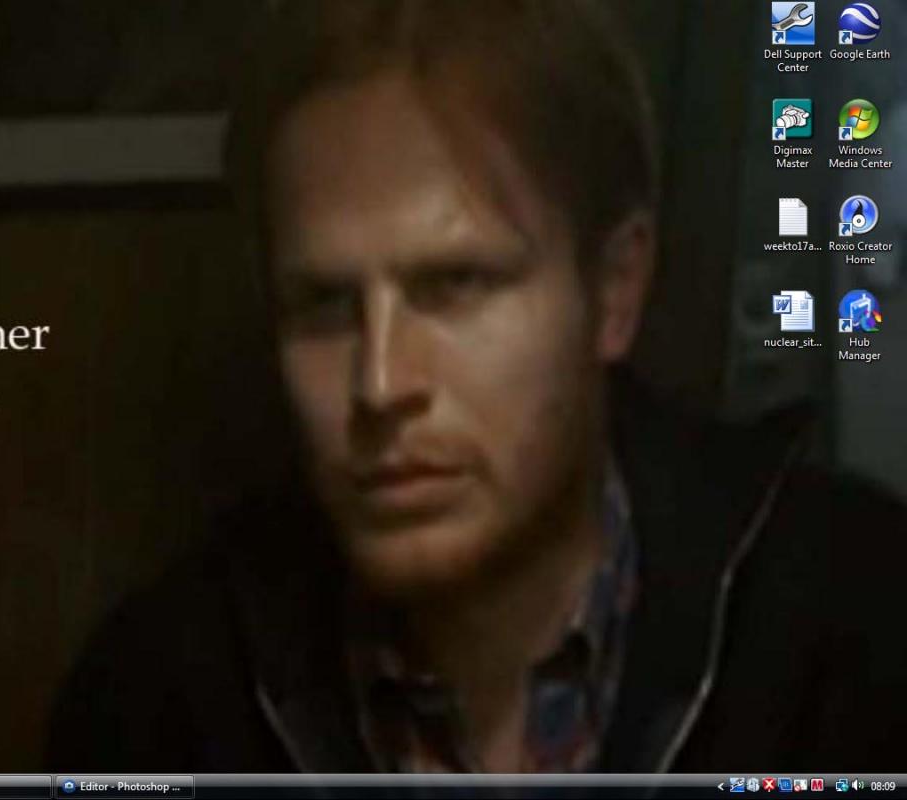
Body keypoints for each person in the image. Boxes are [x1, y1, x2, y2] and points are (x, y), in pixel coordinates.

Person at [48, 0, 907, 773]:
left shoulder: (855, 633)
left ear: (614, 290)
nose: (380, 384)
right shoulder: (159, 700)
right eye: (323, 307)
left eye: (454, 285)